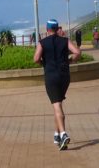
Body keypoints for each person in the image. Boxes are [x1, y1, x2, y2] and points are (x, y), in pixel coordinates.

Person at [34, 18, 80, 149]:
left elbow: (36, 58)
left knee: (57, 106)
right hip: (65, 76)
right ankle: (57, 134)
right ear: (57, 28)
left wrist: (43, 63)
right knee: (58, 103)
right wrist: (70, 61)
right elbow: (77, 52)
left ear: (47, 29)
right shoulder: (65, 41)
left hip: (51, 77)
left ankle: (64, 134)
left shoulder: (42, 43)